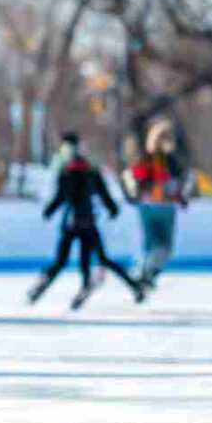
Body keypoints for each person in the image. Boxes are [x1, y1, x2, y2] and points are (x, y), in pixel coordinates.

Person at [29, 133, 145, 310]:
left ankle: (45, 287)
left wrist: (49, 211)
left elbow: (62, 196)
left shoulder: (68, 169)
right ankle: (130, 286)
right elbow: (102, 192)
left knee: (64, 260)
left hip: (74, 222)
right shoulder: (88, 169)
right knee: (97, 258)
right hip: (87, 221)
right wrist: (112, 208)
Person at [122, 119, 189, 288]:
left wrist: (135, 195)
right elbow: (176, 184)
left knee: (150, 244)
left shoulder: (144, 159)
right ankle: (148, 272)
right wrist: (180, 199)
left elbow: (132, 179)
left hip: (146, 207)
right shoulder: (171, 161)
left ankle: (145, 272)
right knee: (165, 247)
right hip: (165, 207)